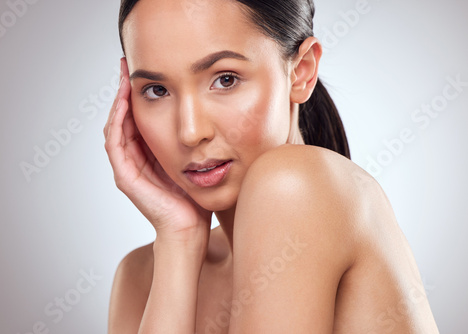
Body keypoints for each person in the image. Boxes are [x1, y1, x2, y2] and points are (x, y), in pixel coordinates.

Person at [103, 0, 439, 333]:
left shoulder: (292, 185)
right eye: (157, 90)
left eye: (226, 79)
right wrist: (179, 239)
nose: (190, 132)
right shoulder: (141, 275)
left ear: (301, 71)